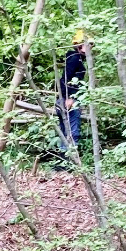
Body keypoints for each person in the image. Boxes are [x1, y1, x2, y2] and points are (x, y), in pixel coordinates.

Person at [54, 30, 93, 167]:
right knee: (72, 132)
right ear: (80, 45)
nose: (90, 48)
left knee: (66, 132)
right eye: (89, 45)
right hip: (68, 100)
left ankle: (61, 165)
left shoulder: (76, 59)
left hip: (66, 99)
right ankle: (68, 165)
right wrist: (68, 98)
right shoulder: (74, 59)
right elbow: (65, 79)